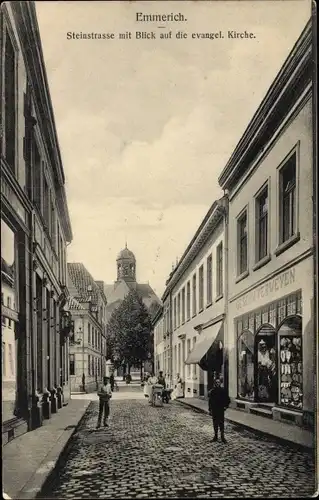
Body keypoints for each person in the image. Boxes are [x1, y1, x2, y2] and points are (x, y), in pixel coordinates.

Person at [208, 378, 230, 443]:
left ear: (220, 383)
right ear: (215, 383)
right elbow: (210, 401)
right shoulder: (213, 391)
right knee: (215, 423)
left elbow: (228, 400)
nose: (217, 383)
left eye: (218, 382)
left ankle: (222, 437)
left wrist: (226, 406)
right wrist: (210, 409)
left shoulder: (223, 391)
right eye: (216, 382)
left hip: (220, 410)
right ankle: (215, 436)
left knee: (221, 423)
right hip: (214, 410)